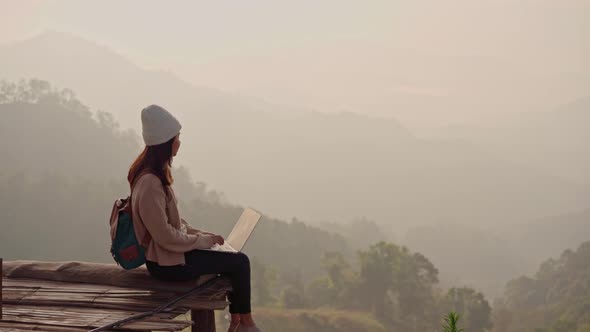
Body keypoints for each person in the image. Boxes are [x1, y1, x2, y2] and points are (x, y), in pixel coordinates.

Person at [127, 104, 262, 332]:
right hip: (166, 264)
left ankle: (239, 322)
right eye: (177, 137)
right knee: (240, 263)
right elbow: (166, 237)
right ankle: (245, 324)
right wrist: (203, 243)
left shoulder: (154, 176)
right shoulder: (150, 183)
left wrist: (202, 235)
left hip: (170, 257)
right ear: (166, 142)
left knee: (234, 260)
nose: (179, 142)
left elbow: (174, 225)